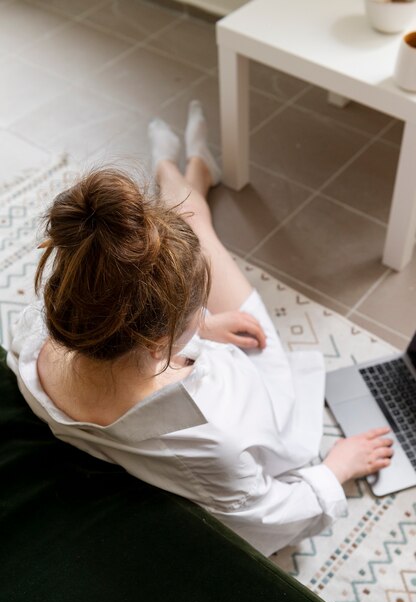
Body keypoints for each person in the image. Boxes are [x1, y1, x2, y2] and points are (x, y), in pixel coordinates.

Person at [6, 101, 394, 557]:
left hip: (149, 347)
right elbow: (267, 518)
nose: (202, 312)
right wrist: (336, 469)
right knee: (194, 225)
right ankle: (183, 170)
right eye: (195, 310)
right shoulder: (211, 441)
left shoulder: (39, 332)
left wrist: (202, 326)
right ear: (158, 340)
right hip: (253, 391)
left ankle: (188, 170)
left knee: (186, 228)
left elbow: (130, 314)